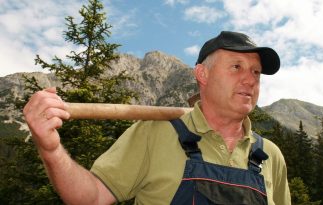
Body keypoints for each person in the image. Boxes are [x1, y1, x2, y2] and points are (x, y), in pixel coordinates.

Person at [23, 31, 291, 205]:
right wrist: (51, 149)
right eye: (236, 67)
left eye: (256, 72)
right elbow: (91, 197)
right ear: (202, 74)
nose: (249, 79)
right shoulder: (155, 133)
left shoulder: (269, 155)